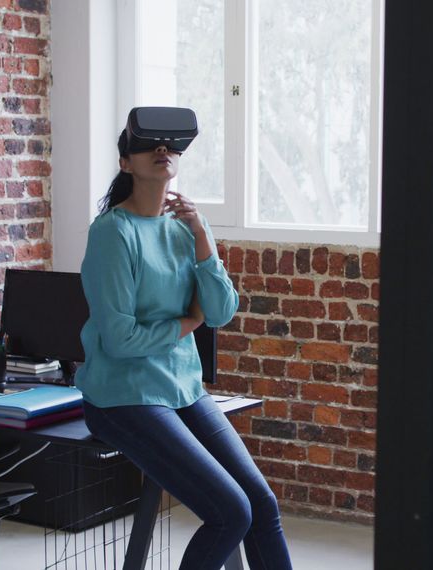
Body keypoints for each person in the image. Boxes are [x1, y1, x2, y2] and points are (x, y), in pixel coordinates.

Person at [74, 127, 294, 570]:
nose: (161, 150)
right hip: (125, 396)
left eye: (169, 144)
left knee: (261, 504)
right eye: (146, 145)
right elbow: (119, 340)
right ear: (125, 163)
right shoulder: (113, 234)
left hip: (182, 387)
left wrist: (202, 240)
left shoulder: (187, 224)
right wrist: (185, 323)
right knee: (231, 513)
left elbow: (220, 311)